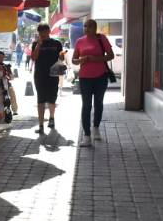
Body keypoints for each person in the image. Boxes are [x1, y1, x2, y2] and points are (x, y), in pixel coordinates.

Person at [72, 19, 114, 147]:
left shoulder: (102, 39)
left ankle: (96, 128)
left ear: (95, 28)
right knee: (86, 106)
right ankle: (86, 135)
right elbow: (74, 60)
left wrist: (96, 59)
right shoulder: (80, 41)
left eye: (90, 26)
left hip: (100, 76)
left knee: (98, 103)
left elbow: (111, 55)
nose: (87, 28)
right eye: (85, 26)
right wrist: (81, 60)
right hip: (85, 78)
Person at [31, 24, 63, 133]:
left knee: (52, 98)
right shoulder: (36, 44)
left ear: (49, 31)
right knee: (40, 99)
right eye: (40, 32)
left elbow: (61, 57)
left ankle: (52, 118)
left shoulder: (57, 43)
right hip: (40, 75)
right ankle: (40, 126)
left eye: (44, 32)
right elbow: (34, 57)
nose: (42, 34)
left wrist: (62, 56)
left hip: (53, 75)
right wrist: (38, 45)